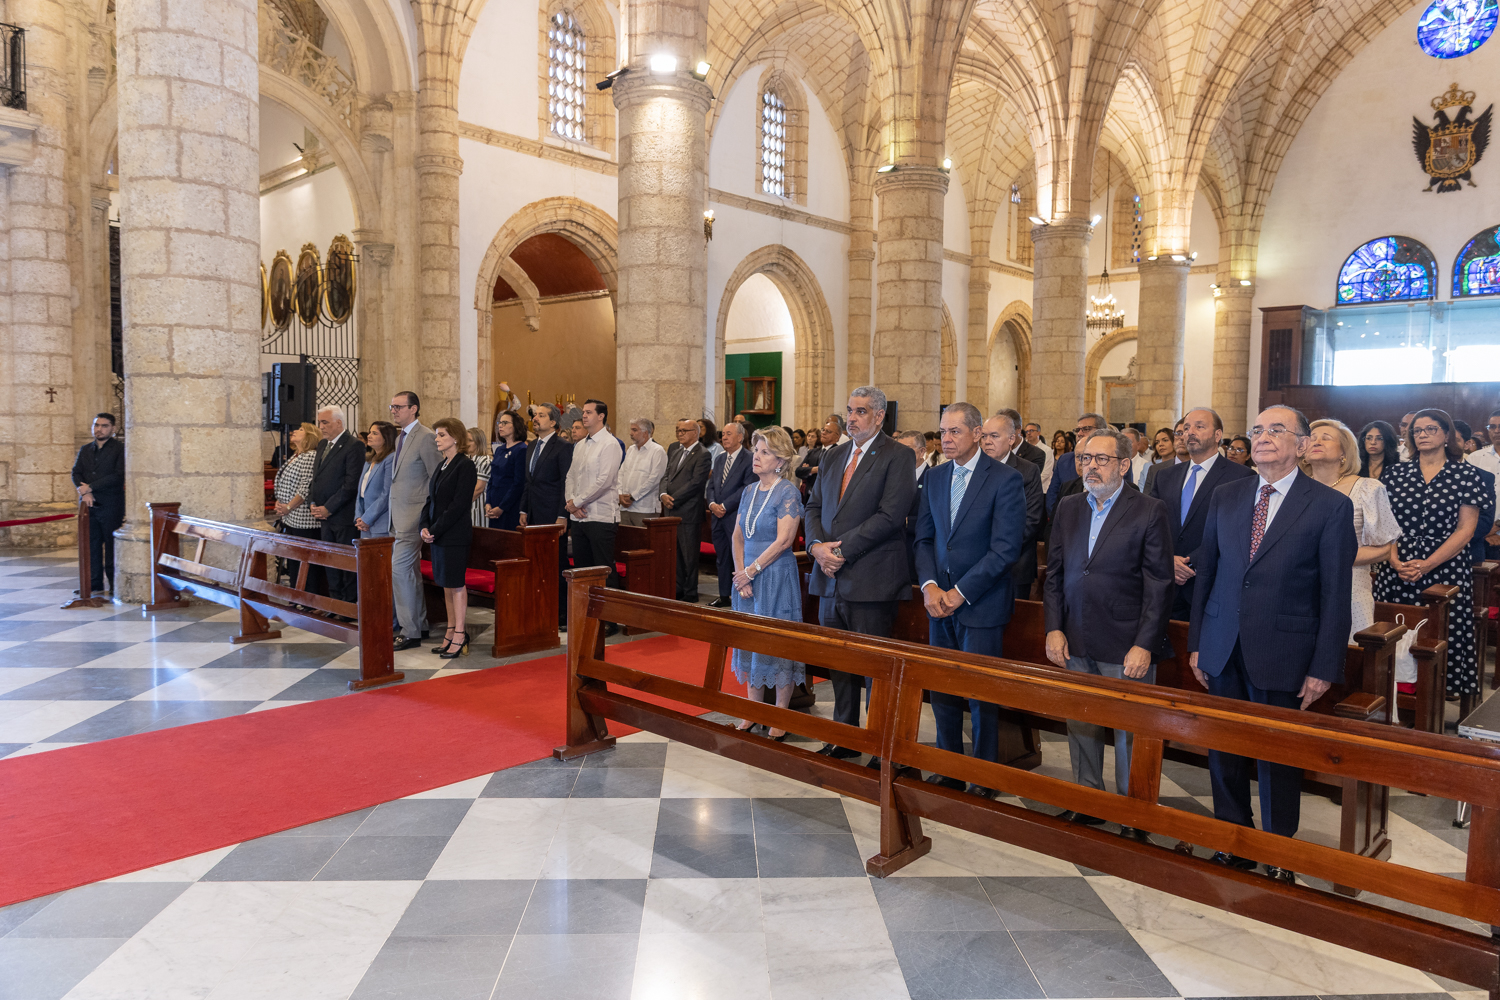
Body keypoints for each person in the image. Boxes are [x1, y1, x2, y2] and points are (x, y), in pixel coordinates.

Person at [1188, 405, 1356, 878]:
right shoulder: (1227, 495)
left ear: (1301, 445)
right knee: (1224, 749)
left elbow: (1334, 595)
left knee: (1277, 757)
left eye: (1276, 430)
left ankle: (1279, 850)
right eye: (1257, 429)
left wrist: (1323, 666)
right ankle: (1233, 839)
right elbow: (1209, 575)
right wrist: (1198, 641)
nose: (1262, 437)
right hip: (1223, 643)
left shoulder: (1328, 505)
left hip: (1285, 651)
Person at [1045, 427, 1173, 836]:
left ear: (1124, 464)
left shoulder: (1148, 510)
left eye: (1102, 459)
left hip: (1125, 640)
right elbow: (1055, 574)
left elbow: (1159, 584)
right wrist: (1054, 628)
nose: (1091, 467)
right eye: (1085, 459)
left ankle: (1133, 812)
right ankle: (1088, 800)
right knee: (1081, 720)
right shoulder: (1069, 506)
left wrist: (1144, 644)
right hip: (1075, 634)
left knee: (1130, 730)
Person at [915, 402, 1026, 795]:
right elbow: (924, 538)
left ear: (977, 434)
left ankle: (982, 774)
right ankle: (949, 766)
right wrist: (930, 586)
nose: (945, 439)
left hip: (981, 603)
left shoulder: (1005, 479)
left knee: (981, 694)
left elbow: (1005, 549)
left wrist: (960, 593)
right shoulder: (935, 477)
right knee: (942, 688)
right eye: (942, 431)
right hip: (937, 603)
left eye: (955, 432)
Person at [805, 386, 916, 759]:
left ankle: (880, 744)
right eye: (849, 411)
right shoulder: (833, 455)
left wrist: (840, 550)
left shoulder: (897, 455)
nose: (851, 418)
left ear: (880, 416)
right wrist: (816, 547)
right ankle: (846, 736)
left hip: (871, 577)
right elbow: (813, 506)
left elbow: (891, 515)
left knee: (873, 667)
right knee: (839, 663)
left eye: (861, 411)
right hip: (829, 575)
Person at [1375, 408, 1487, 702]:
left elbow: (1465, 530)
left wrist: (1426, 564)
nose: (1422, 435)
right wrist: (1394, 560)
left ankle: (1436, 695)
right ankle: (1394, 694)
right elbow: (1386, 523)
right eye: (1417, 431)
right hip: (1398, 563)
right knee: (1396, 628)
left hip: (1445, 564)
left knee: (1442, 630)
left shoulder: (1466, 474)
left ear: (1447, 434)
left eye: (1430, 429)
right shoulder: (1395, 473)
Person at [729, 427, 807, 738]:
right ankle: (753, 711)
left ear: (781, 460)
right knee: (750, 640)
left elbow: (784, 540)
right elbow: (737, 537)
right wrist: (741, 575)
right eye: (756, 450)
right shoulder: (749, 491)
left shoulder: (788, 491)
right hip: (747, 578)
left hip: (775, 576)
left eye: (765, 452)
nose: (757, 456)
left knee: (776, 643)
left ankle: (779, 715)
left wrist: (752, 571)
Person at [1146, 408, 1255, 622]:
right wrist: (1167, 559)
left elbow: (1235, 532)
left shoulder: (1241, 477)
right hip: (1166, 583)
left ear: (1217, 435)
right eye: (1186, 428)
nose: (1190, 432)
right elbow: (1152, 525)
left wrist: (1189, 563)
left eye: (1199, 426)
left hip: (1210, 584)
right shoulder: (1165, 476)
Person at [1302, 419, 1399, 639]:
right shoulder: (1294, 490)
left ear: (1344, 452)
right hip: (1301, 588)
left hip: (1350, 586)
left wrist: (1329, 558)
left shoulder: (1367, 488)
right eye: (1312, 438)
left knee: (1348, 653)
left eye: (1326, 438)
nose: (1317, 441)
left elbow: (1385, 550)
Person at [388, 391, 443, 651]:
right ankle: (419, 625)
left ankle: (409, 631)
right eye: (392, 406)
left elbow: (436, 479)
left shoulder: (426, 437)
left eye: (398, 407)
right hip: (398, 515)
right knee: (409, 572)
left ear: (413, 409)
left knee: (399, 570)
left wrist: (428, 517)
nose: (394, 411)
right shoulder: (400, 437)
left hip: (414, 517)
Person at [422, 417, 479, 658]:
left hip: (454, 535)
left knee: (456, 584)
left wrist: (435, 529)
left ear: (455, 437)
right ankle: (450, 630)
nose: (437, 439)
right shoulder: (443, 464)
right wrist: (424, 526)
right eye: (437, 434)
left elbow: (458, 505)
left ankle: (460, 633)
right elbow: (431, 500)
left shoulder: (465, 466)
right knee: (446, 584)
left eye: (442, 434)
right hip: (439, 534)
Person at [564, 399, 622, 608]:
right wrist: (571, 502)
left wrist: (578, 502)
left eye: (589, 412)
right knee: (583, 569)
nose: (584, 415)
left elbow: (605, 481)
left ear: (601, 416)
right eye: (584, 412)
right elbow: (571, 475)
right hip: (579, 517)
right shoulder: (580, 445)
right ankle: (585, 615)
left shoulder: (610, 444)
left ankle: (610, 616)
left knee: (603, 569)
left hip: (601, 517)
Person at [519, 402, 574, 625]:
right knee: (537, 562)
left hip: (552, 515)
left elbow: (566, 484)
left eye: (541, 415)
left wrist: (563, 515)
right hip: (533, 513)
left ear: (553, 422)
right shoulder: (532, 446)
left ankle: (562, 611)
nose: (535, 418)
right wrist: (524, 508)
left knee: (556, 563)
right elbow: (528, 481)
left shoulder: (563, 447)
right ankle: (542, 607)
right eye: (535, 415)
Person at [982, 411, 1043, 600]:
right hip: (975, 563)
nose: (987, 441)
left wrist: (996, 551)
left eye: (994, 436)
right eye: (984, 436)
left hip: (1014, 564)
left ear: (1011, 439)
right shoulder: (973, 469)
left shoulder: (1027, 470)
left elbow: (1031, 520)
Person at [307, 405, 364, 603]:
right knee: (330, 561)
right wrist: (312, 502)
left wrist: (328, 508)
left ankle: (348, 607)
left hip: (342, 516)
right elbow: (316, 478)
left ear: (338, 423)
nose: (321, 427)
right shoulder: (323, 444)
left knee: (346, 564)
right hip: (324, 517)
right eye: (319, 422)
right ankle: (335, 603)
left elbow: (351, 484)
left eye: (325, 422)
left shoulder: (353, 445)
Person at [70, 412, 125, 596]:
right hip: (88, 505)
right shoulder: (86, 449)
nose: (99, 429)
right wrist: (84, 490)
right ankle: (93, 583)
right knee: (90, 544)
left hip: (111, 504)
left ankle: (114, 585)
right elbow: (76, 472)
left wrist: (91, 487)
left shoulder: (119, 449)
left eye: (104, 426)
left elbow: (118, 475)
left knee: (110, 545)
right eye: (96, 425)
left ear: (113, 428)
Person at [659, 417, 712, 601]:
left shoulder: (703, 454)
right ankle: (678, 589)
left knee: (689, 556)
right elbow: (666, 476)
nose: (679, 434)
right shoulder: (676, 451)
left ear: (695, 433)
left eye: (683, 431)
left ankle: (690, 592)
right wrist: (662, 494)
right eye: (678, 430)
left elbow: (696, 483)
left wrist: (673, 499)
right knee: (675, 554)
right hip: (671, 510)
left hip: (688, 512)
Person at [706, 420, 756, 607]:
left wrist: (725, 506)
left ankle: (740, 594)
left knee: (738, 558)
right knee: (722, 557)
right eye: (723, 434)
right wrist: (712, 504)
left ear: (740, 437)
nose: (724, 437)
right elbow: (711, 486)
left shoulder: (749, 458)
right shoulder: (720, 459)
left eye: (729, 434)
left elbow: (747, 488)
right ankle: (723, 595)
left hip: (735, 516)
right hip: (717, 517)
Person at [272, 421, 321, 586]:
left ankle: (307, 596)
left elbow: (305, 487)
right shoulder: (296, 455)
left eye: (300, 429)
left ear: (309, 436)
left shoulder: (310, 456)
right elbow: (284, 482)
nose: (294, 431)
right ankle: (295, 593)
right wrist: (279, 502)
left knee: (304, 562)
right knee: (293, 559)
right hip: (290, 516)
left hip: (302, 518)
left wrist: (288, 507)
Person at [1046, 412, 1106, 514]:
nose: (1080, 433)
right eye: (1078, 430)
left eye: (1086, 429)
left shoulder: (1114, 460)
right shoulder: (1064, 460)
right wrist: (1057, 518)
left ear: (1102, 432)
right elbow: (1053, 494)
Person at [618, 417, 668, 527]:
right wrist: (620, 493)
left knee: (643, 538)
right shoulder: (631, 449)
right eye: (631, 429)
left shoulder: (657, 451)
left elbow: (654, 479)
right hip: (625, 507)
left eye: (635, 430)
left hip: (645, 508)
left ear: (645, 433)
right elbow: (621, 473)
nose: (631, 433)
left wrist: (633, 497)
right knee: (624, 537)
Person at [1464, 410, 1500, 556]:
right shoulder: (1475, 458)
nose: (1497, 431)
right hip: (1479, 535)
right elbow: (1468, 498)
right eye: (1492, 427)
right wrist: (1484, 530)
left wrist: (1497, 526)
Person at [485, 410, 528, 529]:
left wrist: (502, 507)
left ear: (516, 426)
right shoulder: (499, 450)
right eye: (500, 422)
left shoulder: (521, 449)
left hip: (510, 506)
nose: (500, 426)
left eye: (505, 423)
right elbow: (492, 478)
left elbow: (518, 483)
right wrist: (488, 502)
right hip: (494, 504)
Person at [354, 421, 396, 538]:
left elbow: (386, 494)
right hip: (364, 522)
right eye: (369, 432)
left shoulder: (390, 459)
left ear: (386, 438)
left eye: (374, 433)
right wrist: (359, 517)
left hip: (380, 522)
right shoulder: (369, 459)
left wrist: (367, 518)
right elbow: (361, 493)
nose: (369, 436)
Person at [1142, 419, 1188, 498]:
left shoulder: (1197, 465)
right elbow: (1147, 499)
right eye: (1157, 442)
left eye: (1165, 440)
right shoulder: (1154, 469)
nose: (1160, 445)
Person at [795, 419, 836, 493]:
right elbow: (798, 471)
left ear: (837, 437)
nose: (823, 433)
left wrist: (808, 469)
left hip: (827, 492)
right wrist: (813, 469)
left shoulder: (839, 452)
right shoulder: (813, 452)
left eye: (828, 431)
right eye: (823, 430)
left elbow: (831, 473)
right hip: (809, 493)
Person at [467, 426, 492, 527]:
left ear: (478, 442)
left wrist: (461, 503)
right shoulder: (467, 460)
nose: (466, 443)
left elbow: (478, 489)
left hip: (478, 507)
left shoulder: (484, 461)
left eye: (470, 440)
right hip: (468, 507)